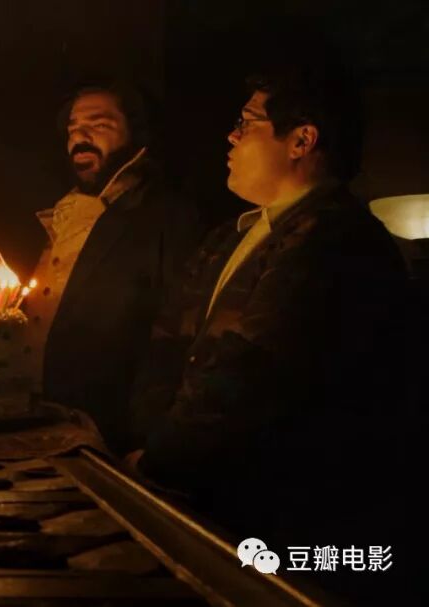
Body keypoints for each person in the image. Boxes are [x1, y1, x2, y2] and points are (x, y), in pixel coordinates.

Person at [126, 65, 418, 601]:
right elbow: (167, 345)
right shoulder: (230, 236)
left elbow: (250, 375)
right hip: (202, 498)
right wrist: (149, 440)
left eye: (246, 123)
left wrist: (160, 460)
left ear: (302, 140)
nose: (230, 136)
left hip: (290, 523)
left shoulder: (335, 240)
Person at [24, 79, 200, 453]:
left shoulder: (165, 218)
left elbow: (174, 338)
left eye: (99, 124)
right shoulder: (56, 212)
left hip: (108, 432)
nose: (80, 137)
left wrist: (147, 437)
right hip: (30, 418)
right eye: (73, 127)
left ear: (138, 134)